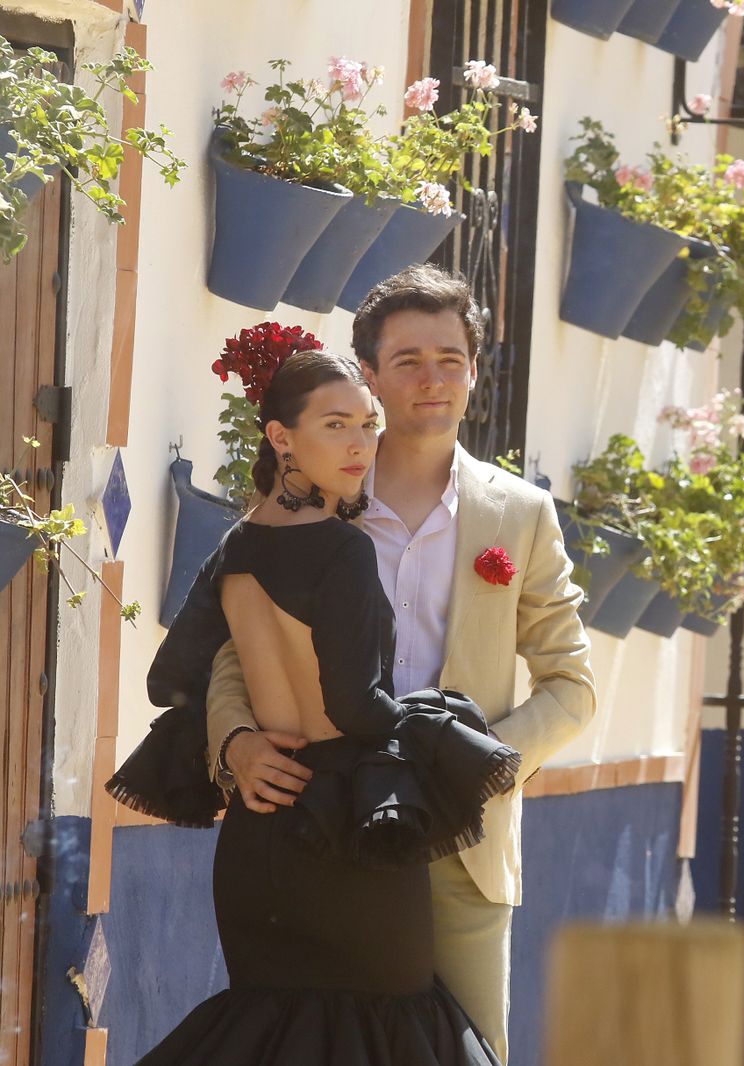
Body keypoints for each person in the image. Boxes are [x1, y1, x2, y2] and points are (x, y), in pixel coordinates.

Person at [204, 264, 597, 1063]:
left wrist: (474, 771)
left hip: (461, 850)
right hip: (317, 826)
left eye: (451, 359)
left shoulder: (520, 514)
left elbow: (571, 687)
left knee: (469, 1054)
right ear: (370, 378)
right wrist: (233, 744)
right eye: (409, 361)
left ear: (475, 372)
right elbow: (229, 651)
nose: (433, 380)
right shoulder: (308, 500)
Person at [108, 350, 517, 1064]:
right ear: (280, 437)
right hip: (351, 829)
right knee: (393, 1033)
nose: (361, 445)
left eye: (367, 424)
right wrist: (435, 722)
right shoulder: (343, 550)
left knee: (269, 1032)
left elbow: (172, 676)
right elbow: (357, 709)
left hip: (260, 835)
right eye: (336, 426)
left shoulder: (234, 545)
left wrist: (238, 740)